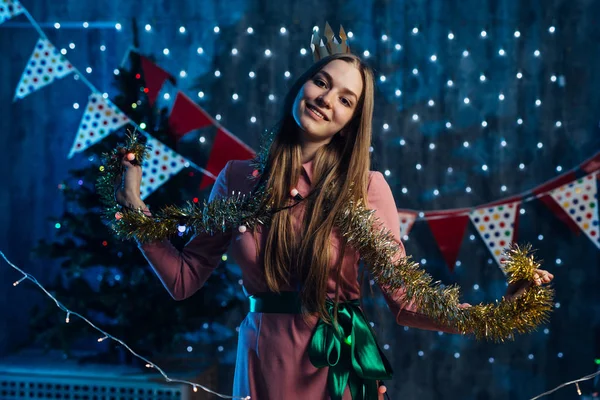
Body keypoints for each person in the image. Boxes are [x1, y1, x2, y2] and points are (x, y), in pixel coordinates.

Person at [114, 49, 554, 399]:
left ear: (350, 123)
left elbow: (407, 302)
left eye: (345, 99)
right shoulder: (237, 179)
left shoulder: (365, 188)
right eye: (321, 82)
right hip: (262, 363)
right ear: (301, 87)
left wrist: (501, 311)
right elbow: (184, 279)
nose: (326, 99)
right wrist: (132, 204)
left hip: (336, 366)